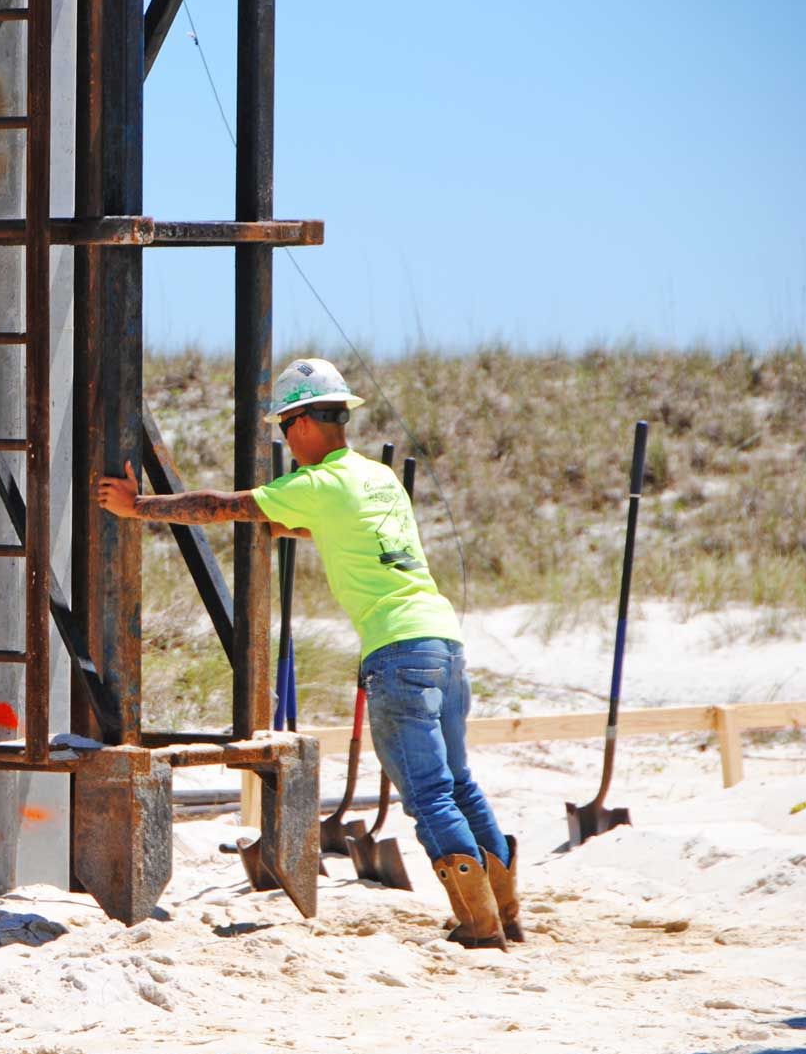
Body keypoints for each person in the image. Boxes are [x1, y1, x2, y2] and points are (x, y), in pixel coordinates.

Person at [95, 358, 520, 951]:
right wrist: (275, 524)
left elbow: (223, 505)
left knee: (429, 794)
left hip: (397, 650)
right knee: (461, 783)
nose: (287, 443)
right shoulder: (376, 478)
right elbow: (329, 532)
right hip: (443, 643)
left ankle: (479, 928)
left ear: (299, 425)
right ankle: (505, 913)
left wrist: (137, 507)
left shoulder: (317, 484)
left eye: (285, 429)